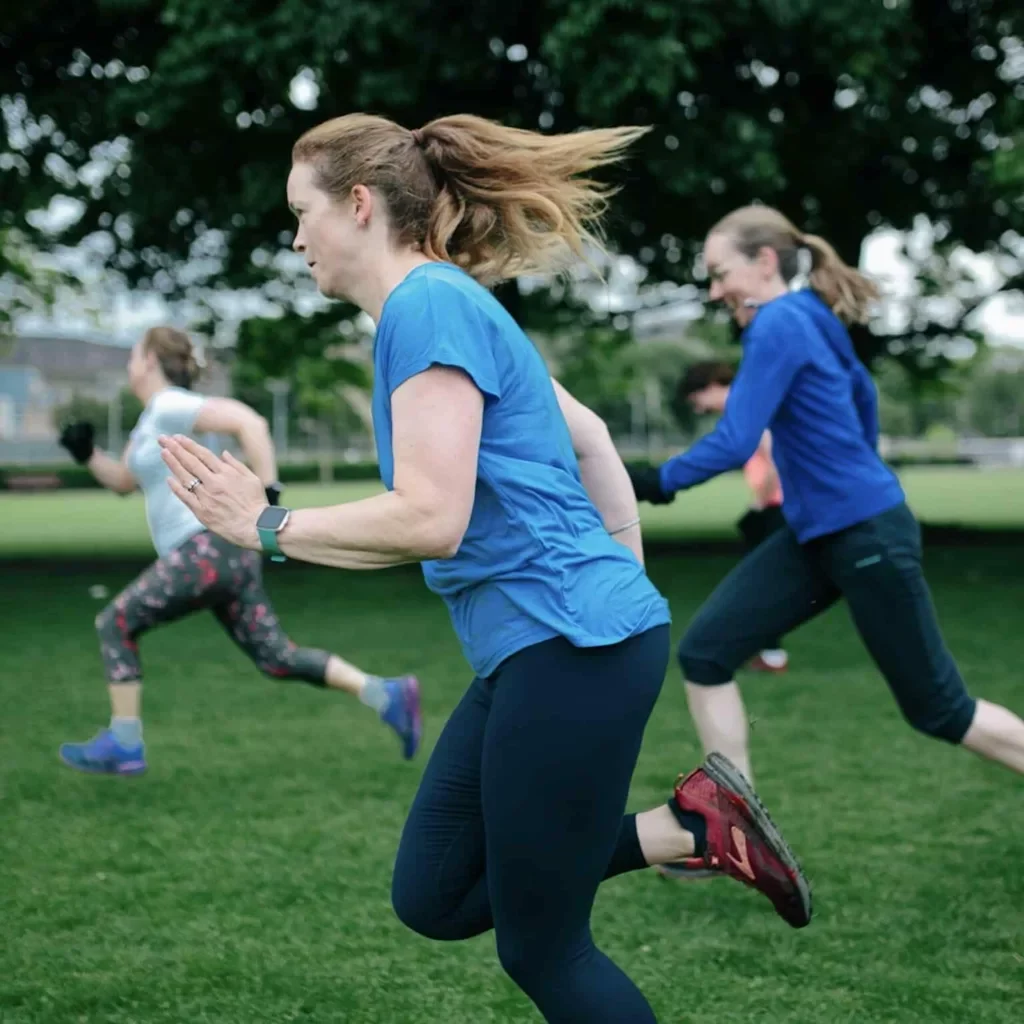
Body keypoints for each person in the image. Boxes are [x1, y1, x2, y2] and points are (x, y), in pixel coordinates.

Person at [157, 115, 812, 1023]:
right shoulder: (443, 306)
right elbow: (589, 437)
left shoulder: (428, 307)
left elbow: (432, 517)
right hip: (558, 642)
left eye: (300, 213)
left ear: (357, 205)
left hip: (568, 644)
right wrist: (622, 581)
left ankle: (695, 828)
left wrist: (263, 524)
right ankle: (692, 828)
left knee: (545, 949)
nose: (296, 237)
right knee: (434, 894)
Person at [628, 206, 1024, 886]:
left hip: (864, 533)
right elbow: (863, 392)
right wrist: (851, 464)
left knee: (939, 709)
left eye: (721, 274)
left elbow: (733, 439)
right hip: (821, 534)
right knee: (706, 651)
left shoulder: (780, 321)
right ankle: (736, 833)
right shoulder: (810, 313)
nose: (716, 290)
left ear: (763, 263)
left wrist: (650, 482)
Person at [57, 326, 422, 775]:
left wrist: (267, 500)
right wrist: (87, 453)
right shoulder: (151, 420)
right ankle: (387, 694)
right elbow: (124, 483)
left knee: (114, 622)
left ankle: (125, 743)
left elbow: (251, 423)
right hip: (223, 555)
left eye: (133, 355)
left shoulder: (171, 404)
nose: (129, 365)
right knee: (277, 658)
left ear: (150, 360)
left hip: (207, 549)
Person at [677, 360, 789, 673]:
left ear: (711, 386)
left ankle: (771, 656)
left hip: (777, 509)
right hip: (773, 508)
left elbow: (777, 455)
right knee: (767, 580)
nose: (698, 410)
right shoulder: (745, 409)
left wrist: (760, 500)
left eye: (695, 400)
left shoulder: (750, 409)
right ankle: (770, 654)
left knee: (765, 582)